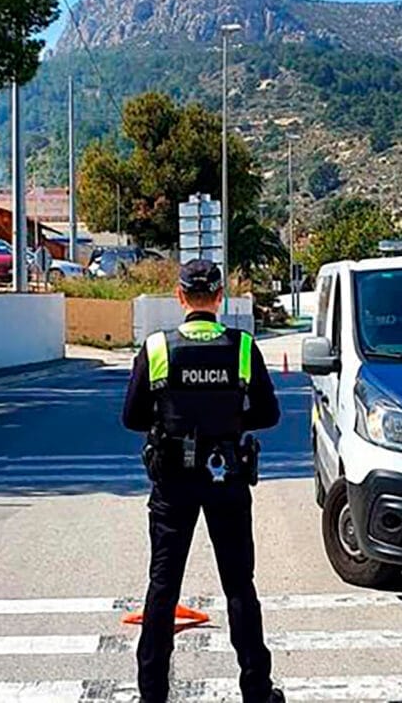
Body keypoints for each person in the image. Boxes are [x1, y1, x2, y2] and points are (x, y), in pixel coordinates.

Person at [121, 259, 285, 703]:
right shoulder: (243, 347)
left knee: (163, 586)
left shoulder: (157, 347)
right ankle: (257, 690)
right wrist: (230, 419)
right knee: (238, 586)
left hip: (173, 481)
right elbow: (268, 414)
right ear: (218, 297)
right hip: (226, 475)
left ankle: (152, 694)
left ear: (179, 297)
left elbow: (133, 417)